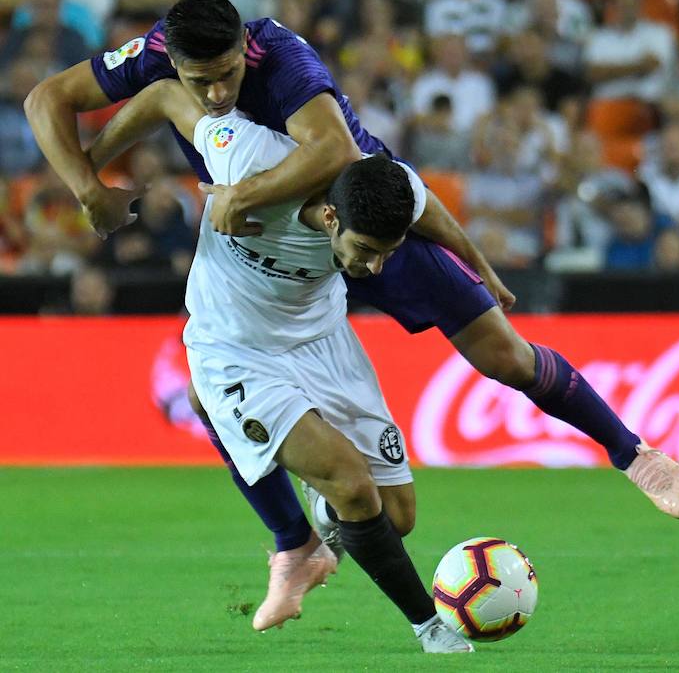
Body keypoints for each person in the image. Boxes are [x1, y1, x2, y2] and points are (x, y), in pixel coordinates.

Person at [24, 0, 679, 616]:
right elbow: (53, 100)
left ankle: (633, 453)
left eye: (228, 74)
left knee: (504, 354)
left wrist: (240, 197)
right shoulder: (158, 62)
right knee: (209, 393)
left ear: (244, 51)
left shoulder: (283, 60)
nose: (219, 91)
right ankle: (295, 546)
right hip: (276, 252)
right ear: (170, 58)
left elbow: (337, 151)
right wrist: (88, 183)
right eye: (201, 79)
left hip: (361, 217)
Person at [85, 77, 471, 653]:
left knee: (398, 515)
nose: (373, 267)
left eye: (385, 252)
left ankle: (309, 528)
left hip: (323, 340)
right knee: (352, 486)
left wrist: (482, 273)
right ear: (333, 217)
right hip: (234, 347)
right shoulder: (246, 157)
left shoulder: (382, 185)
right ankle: (428, 625)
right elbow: (167, 95)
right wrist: (85, 175)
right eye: (365, 251)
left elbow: (427, 211)